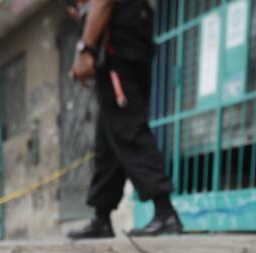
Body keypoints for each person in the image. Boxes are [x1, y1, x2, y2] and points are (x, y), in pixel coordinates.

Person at [67, 0, 182, 240]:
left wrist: (85, 49)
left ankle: (165, 211)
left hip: (116, 56)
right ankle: (102, 217)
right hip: (128, 51)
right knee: (108, 141)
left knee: (128, 129)